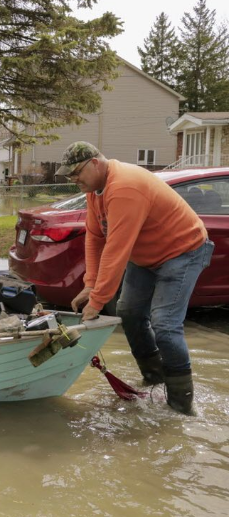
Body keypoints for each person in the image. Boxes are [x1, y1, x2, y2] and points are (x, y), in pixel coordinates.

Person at [57, 142, 214, 415]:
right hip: (146, 258)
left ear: (95, 163)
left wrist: (97, 301)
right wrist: (90, 284)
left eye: (76, 173)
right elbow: (95, 238)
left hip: (183, 252)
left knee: (164, 325)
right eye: (69, 175)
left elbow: (117, 250)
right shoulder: (96, 191)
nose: (73, 180)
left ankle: (181, 406)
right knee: (128, 312)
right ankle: (154, 378)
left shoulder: (125, 187)